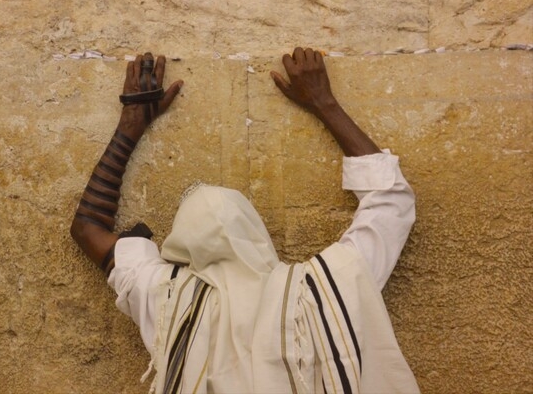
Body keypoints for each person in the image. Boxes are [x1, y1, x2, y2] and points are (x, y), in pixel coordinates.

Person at [70, 48, 420, 394]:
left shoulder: (169, 302)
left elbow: (88, 228)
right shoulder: (318, 292)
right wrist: (323, 102)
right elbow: (389, 202)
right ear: (256, 233)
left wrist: (131, 124)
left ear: (181, 246)